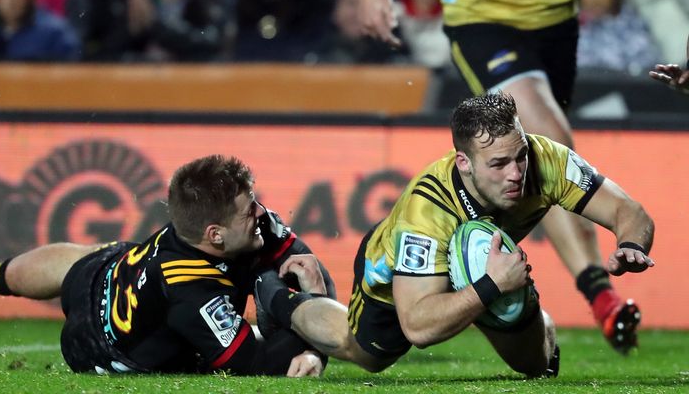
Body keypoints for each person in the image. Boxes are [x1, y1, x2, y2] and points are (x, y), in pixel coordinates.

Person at [350, 0, 643, 354]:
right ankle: (600, 295)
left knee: (544, 165)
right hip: (481, 14)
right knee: (548, 139)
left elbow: (633, 212)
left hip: (556, 15)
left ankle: (481, 272)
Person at [255, 92, 655, 377]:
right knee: (366, 355)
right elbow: (418, 326)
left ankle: (515, 311)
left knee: (536, 367)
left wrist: (631, 243)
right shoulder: (426, 210)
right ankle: (278, 299)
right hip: (396, 277)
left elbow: (629, 211)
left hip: (489, 270)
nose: (516, 172)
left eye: (520, 156)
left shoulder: (545, 159)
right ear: (464, 162)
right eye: (499, 164)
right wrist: (491, 286)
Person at [0, 154, 337, 377]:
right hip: (95, 344)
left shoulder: (224, 227)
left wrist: (309, 314)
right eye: (248, 209)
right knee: (206, 352)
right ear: (215, 235)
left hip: (115, 272)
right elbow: (250, 362)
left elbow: (306, 264)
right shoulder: (191, 289)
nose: (261, 212)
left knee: (85, 259)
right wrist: (312, 341)